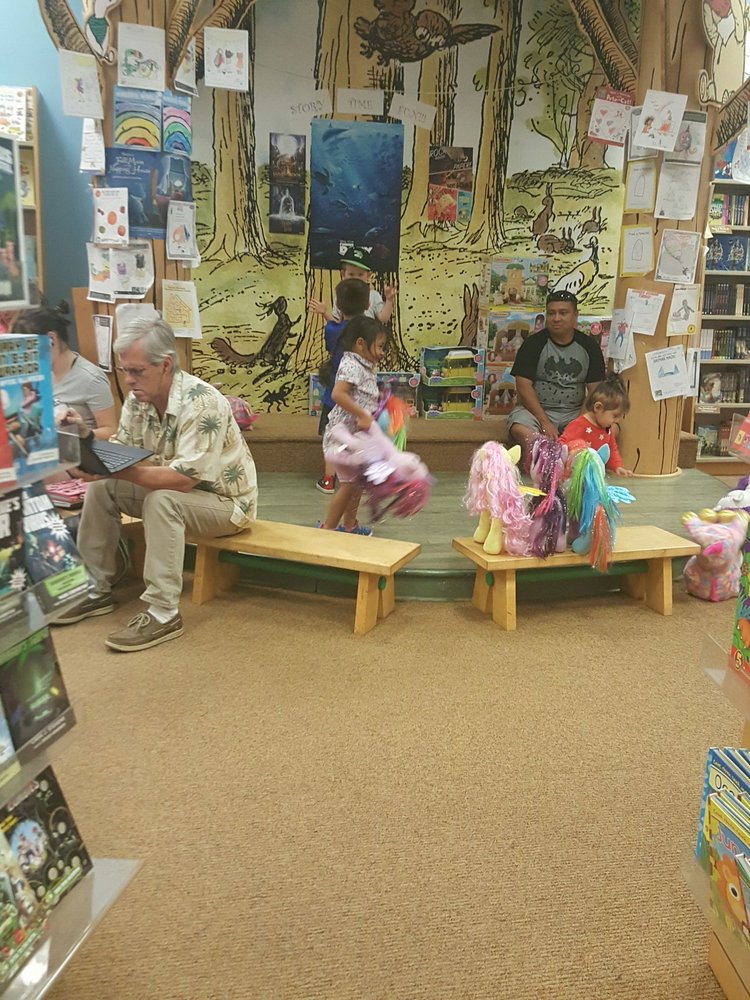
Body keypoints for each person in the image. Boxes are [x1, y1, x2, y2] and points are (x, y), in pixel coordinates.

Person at [56, 317, 258, 653]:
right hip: (177, 494)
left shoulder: (202, 402)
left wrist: (113, 472)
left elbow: (182, 480)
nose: (129, 380)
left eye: (137, 371)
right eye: (125, 371)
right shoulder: (139, 398)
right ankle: (95, 589)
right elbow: (121, 451)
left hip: (227, 505)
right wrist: (86, 438)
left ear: (165, 365)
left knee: (162, 500)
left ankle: (164, 613)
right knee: (102, 489)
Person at [507, 290, 605, 449]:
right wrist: (545, 422)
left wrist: (579, 424)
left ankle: (571, 455)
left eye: (563, 313)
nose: (556, 318)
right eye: (551, 313)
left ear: (575, 315)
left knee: (611, 429)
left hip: (575, 412)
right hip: (536, 412)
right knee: (520, 429)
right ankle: (544, 455)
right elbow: (523, 385)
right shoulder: (533, 344)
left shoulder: (590, 347)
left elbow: (595, 390)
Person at [319, 316, 388, 536]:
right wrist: (362, 414)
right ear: (360, 343)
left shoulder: (365, 366)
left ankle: (350, 525)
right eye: (380, 346)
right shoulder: (351, 364)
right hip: (343, 437)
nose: (382, 352)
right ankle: (328, 530)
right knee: (348, 485)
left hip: (356, 437)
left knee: (357, 482)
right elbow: (338, 394)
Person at [11, 302, 116, 440]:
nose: (26, 359)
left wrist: (84, 433)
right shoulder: (37, 375)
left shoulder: (90, 378)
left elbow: (111, 431)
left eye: (29, 351)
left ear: (51, 340)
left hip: (79, 450)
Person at [315, 278, 370, 494]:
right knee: (358, 437)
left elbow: (335, 332)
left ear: (338, 304)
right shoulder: (370, 332)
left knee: (333, 439)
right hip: (361, 397)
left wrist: (325, 314)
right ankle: (357, 478)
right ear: (367, 305)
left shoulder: (332, 330)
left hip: (336, 394)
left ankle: (329, 480)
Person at [559, 375, 634, 477]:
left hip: (594, 476)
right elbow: (562, 446)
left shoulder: (607, 429)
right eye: (615, 416)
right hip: (574, 477)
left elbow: (612, 449)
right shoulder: (579, 424)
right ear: (598, 407)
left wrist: (617, 467)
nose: (617, 421)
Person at [309, 246, 397, 324]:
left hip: (367, 337)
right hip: (347, 337)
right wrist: (325, 313)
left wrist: (389, 300)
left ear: (368, 275)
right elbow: (337, 324)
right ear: (343, 274)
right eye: (351, 274)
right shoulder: (341, 295)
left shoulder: (373, 295)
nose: (356, 278)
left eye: (360, 274)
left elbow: (383, 318)